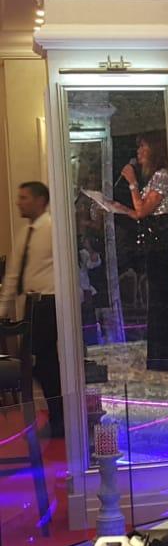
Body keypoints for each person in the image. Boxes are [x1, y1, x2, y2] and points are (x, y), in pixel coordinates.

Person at [1, 182, 63, 438]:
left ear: (39, 200)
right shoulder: (25, 233)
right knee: (35, 362)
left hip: (49, 302)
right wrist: (3, 308)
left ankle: (60, 418)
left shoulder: (53, 229)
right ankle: (58, 416)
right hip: (32, 304)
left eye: (24, 197)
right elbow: (13, 274)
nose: (19, 202)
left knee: (42, 362)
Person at [117, 133, 168, 371]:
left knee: (162, 299)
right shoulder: (155, 176)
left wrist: (132, 182)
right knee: (157, 298)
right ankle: (159, 357)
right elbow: (139, 212)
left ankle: (167, 357)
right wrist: (119, 208)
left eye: (142, 146)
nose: (138, 152)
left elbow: (143, 211)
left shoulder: (162, 175)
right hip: (156, 243)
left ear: (153, 149)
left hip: (162, 242)